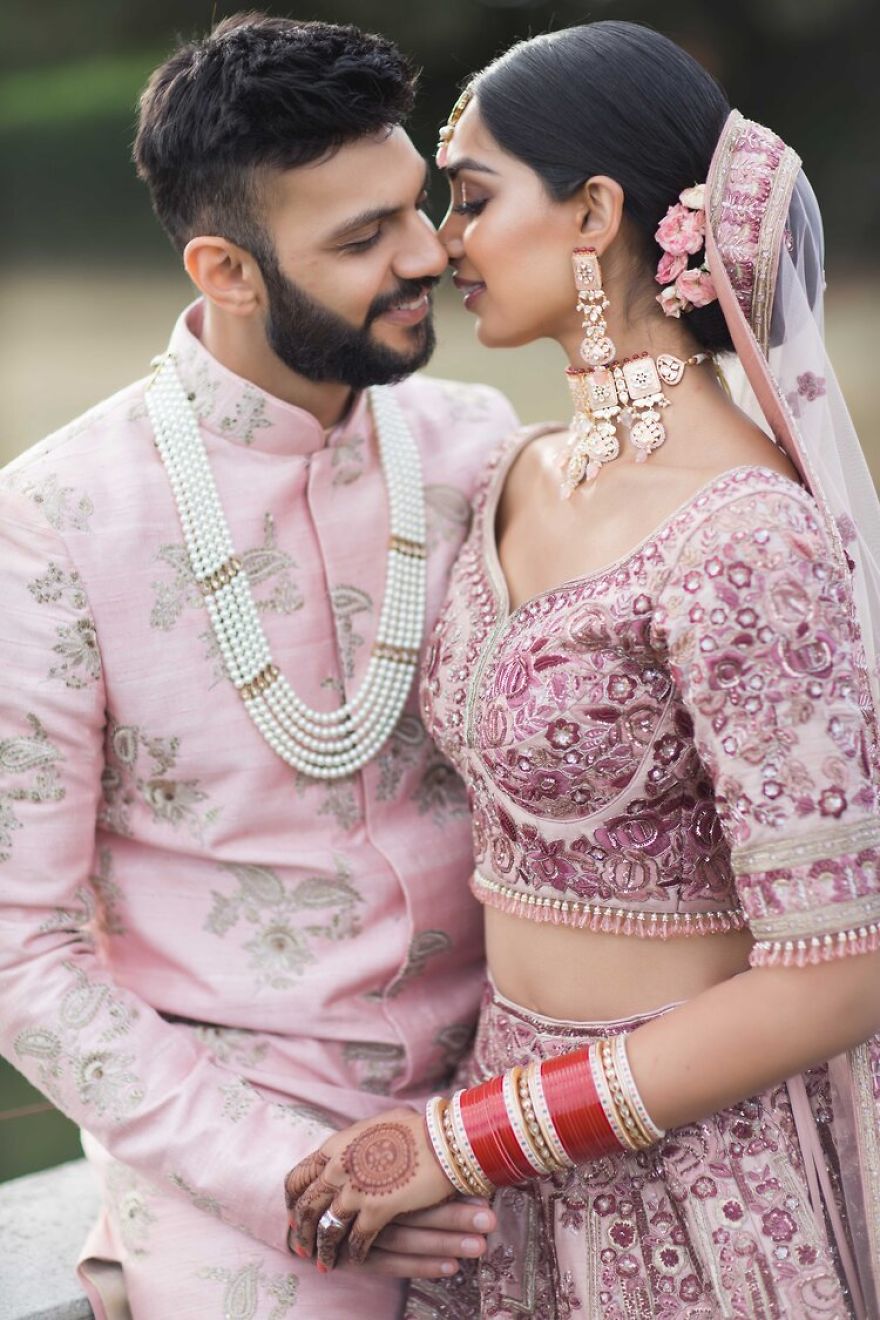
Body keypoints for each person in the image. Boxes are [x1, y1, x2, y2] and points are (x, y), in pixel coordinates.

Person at [284, 21, 880, 1319]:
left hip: (698, 1182)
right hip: (510, 1175)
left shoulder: (744, 537)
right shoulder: (515, 473)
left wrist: (466, 1141)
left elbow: (839, 976)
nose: (440, 245)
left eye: (474, 198)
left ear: (595, 213)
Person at [0, 13, 521, 1318]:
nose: (425, 257)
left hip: (513, 1098)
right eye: (360, 240)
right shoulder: (55, 521)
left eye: (418, 206)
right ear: (226, 270)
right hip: (246, 1135)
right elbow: (21, 951)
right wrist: (287, 1174)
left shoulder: (479, 445)